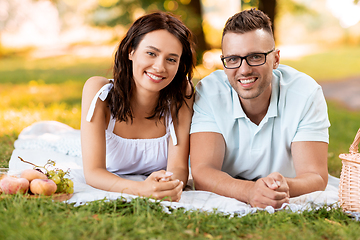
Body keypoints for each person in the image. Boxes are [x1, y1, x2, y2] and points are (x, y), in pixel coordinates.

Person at [189, 9, 330, 208]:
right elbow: (203, 172)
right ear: (224, 61)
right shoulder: (209, 92)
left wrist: (280, 187)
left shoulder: (306, 93)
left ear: (276, 59)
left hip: (282, 184)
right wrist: (249, 191)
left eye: (255, 57)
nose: (244, 69)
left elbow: (315, 177)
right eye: (232, 59)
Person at [81, 12, 196, 202]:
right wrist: (141, 189)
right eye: (151, 53)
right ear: (130, 51)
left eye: (171, 59)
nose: (160, 67)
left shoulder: (181, 93)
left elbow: (179, 169)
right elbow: (93, 172)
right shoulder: (99, 91)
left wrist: (166, 185)